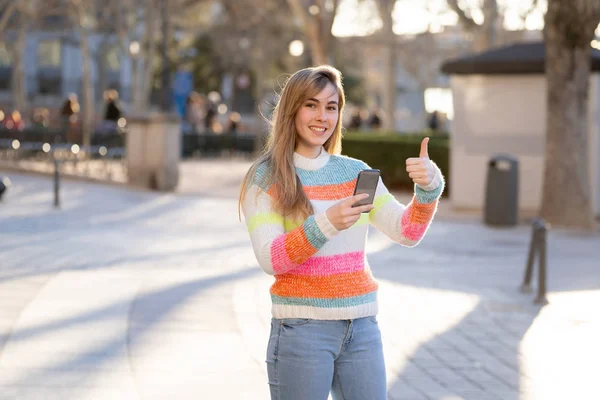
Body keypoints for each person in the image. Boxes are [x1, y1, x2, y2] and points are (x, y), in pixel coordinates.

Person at [238, 65, 444, 400]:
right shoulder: (265, 177)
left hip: (361, 328)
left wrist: (429, 189)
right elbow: (271, 258)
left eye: (331, 107)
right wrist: (328, 221)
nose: (322, 116)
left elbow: (406, 232)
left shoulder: (355, 172)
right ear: (292, 109)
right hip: (301, 329)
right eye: (311, 104)